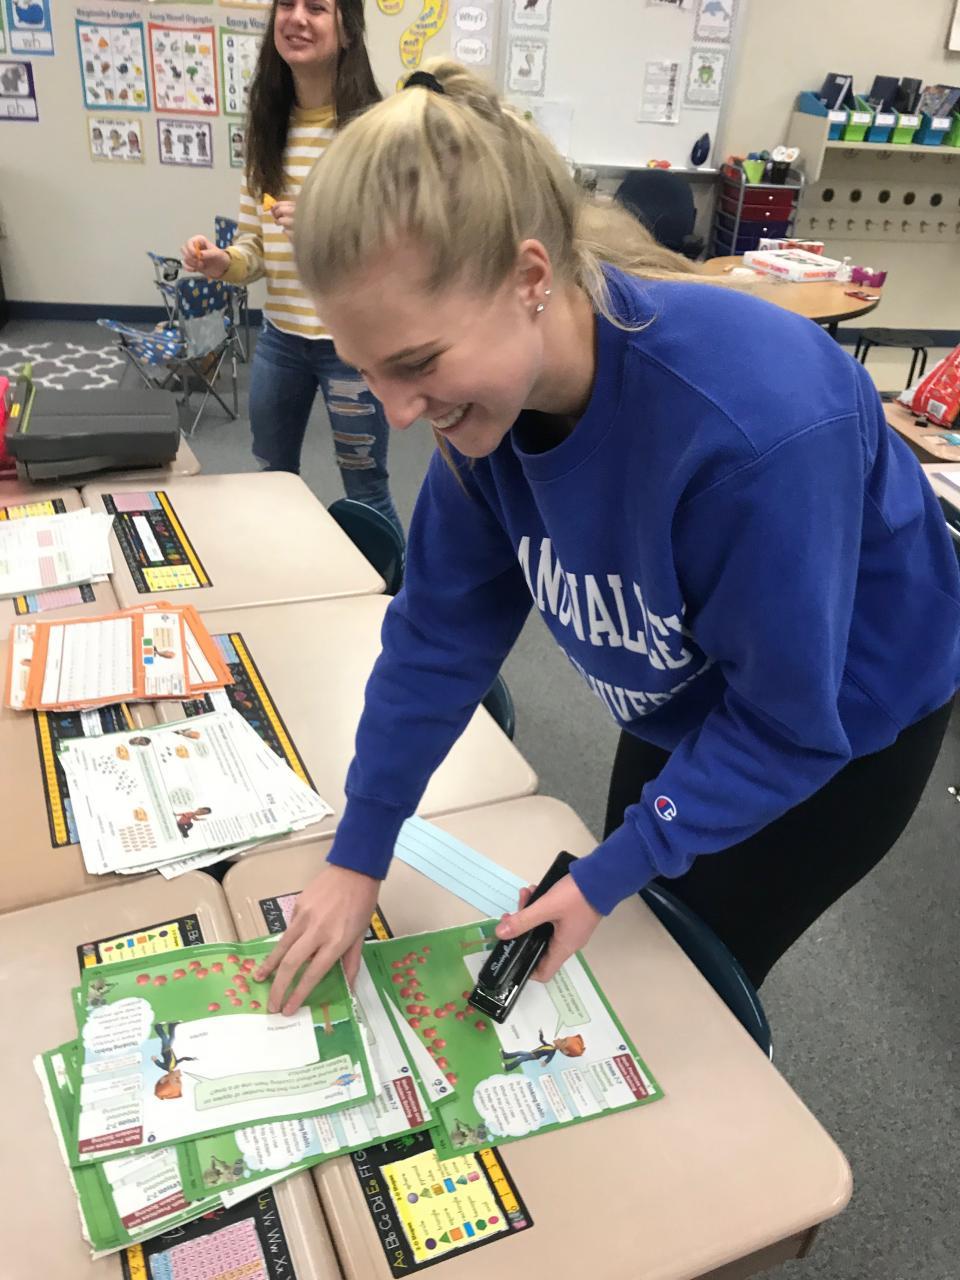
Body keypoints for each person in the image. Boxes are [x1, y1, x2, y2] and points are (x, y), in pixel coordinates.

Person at [256, 60, 960, 1016]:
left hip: (837, 724)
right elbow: (437, 639)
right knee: (620, 932)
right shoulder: (486, 411)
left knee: (684, 986)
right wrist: (359, 849)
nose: (399, 412)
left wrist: (613, 871)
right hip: (691, 690)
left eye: (417, 363)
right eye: (367, 370)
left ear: (529, 278)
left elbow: (787, 723)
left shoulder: (756, 431)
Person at [181, 0, 401, 536]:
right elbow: (255, 247)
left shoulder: (375, 132)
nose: (297, 17)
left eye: (317, 7)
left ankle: (394, 585)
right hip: (281, 340)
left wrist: (323, 227)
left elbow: (397, 250)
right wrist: (224, 262)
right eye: (287, 4)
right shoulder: (267, 128)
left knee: (366, 489)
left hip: (352, 348)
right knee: (272, 479)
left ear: (347, 30)